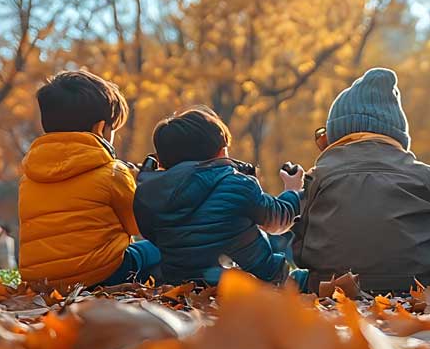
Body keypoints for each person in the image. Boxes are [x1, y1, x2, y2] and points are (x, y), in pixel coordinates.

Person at [293, 68, 430, 293]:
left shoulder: (319, 175)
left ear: (337, 132)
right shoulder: (427, 177)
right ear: (397, 134)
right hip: (413, 287)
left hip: (332, 287)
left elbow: (300, 246)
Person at [19, 69, 160, 286]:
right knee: (159, 248)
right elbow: (136, 227)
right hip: (100, 274)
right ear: (101, 128)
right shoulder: (113, 172)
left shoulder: (29, 177)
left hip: (39, 281)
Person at [133, 107, 304, 284]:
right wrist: (292, 191)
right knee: (302, 279)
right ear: (221, 152)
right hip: (253, 283)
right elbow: (277, 220)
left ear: (162, 161)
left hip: (180, 285)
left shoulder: (147, 195)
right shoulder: (239, 184)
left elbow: (152, 235)